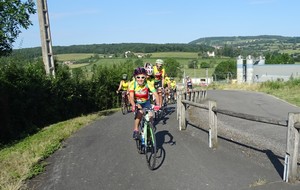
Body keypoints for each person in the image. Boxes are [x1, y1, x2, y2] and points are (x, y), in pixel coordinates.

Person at [129, 67, 160, 139]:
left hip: (146, 102)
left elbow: (155, 94)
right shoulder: (132, 84)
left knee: (151, 115)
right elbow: (131, 96)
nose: (140, 79)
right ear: (135, 77)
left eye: (143, 77)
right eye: (138, 77)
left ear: (145, 77)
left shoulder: (148, 83)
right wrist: (133, 105)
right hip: (137, 102)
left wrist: (158, 105)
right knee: (140, 113)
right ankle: (136, 130)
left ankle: (149, 131)